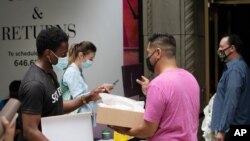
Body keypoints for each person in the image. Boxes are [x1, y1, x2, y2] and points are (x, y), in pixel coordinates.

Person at [17, 27, 109, 141]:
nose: (66, 58)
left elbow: (57, 105)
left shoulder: (50, 73)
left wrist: (89, 97)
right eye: (63, 54)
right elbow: (30, 131)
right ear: (48, 53)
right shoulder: (34, 84)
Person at [111, 33, 200, 141]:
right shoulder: (190, 78)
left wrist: (124, 131)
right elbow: (175, 107)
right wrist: (151, 91)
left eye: (148, 53)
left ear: (157, 53)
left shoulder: (158, 85)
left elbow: (148, 129)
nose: (148, 57)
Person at [211, 34, 250, 141]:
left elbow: (231, 101)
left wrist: (222, 130)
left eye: (221, 47)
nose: (219, 50)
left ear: (232, 48)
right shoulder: (237, 67)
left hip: (233, 129)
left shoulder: (235, 70)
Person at [61, 41, 113, 122]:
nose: (91, 61)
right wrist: (95, 93)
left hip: (81, 119)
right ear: (81, 55)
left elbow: (84, 96)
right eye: (90, 59)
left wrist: (100, 90)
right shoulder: (72, 72)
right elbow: (79, 99)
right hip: (76, 120)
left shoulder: (77, 72)